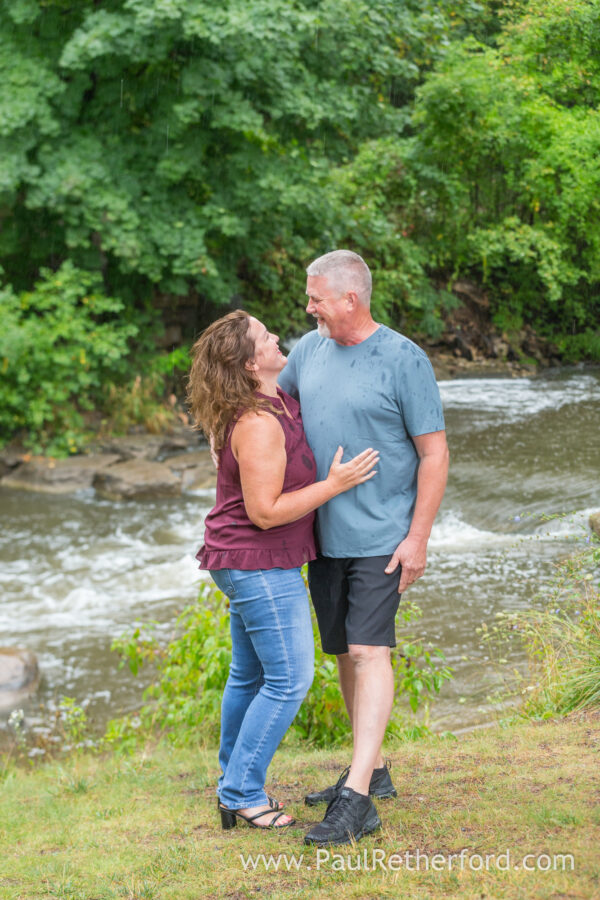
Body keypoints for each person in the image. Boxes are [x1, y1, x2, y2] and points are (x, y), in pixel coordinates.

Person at [278, 250, 449, 845]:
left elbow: (434, 453)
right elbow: (273, 414)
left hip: (383, 538)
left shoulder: (405, 359)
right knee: (347, 656)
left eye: (316, 297)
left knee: (371, 651)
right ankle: (371, 771)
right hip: (322, 536)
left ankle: (356, 802)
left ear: (351, 299)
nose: (309, 307)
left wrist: (418, 538)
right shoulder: (306, 351)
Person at [187, 310, 379, 831]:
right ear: (251, 364)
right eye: (266, 338)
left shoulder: (273, 401)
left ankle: (234, 778)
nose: (277, 338)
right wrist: (335, 484)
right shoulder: (257, 424)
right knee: (289, 680)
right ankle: (241, 792)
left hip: (246, 560)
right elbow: (265, 512)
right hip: (256, 562)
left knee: (249, 675)